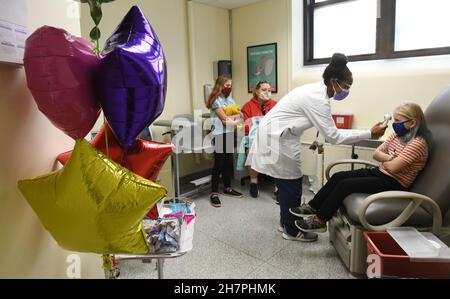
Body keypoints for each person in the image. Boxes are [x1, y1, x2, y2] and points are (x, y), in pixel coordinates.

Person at [247, 53, 387, 241]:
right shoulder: (317, 99)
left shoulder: (316, 92)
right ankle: (291, 230)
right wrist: (369, 133)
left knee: (286, 182)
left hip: (279, 135)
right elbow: (334, 136)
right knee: (291, 184)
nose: (346, 91)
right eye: (345, 86)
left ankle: (285, 223)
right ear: (333, 81)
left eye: (349, 87)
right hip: (277, 139)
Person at [292, 102, 431, 233]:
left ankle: (320, 221)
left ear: (412, 123)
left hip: (395, 183)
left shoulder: (417, 143)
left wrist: (389, 161)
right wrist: (391, 159)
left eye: (398, 121)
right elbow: (376, 154)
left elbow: (394, 169)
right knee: (338, 176)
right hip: (381, 173)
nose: (394, 125)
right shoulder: (397, 135)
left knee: (345, 185)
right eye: (394, 120)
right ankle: (313, 206)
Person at [206, 76, 243, 208]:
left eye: (230, 85)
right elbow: (224, 120)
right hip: (219, 134)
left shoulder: (230, 99)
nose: (229, 87)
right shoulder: (215, 100)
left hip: (228, 133)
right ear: (220, 86)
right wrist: (233, 118)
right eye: (227, 85)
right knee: (219, 163)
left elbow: (240, 115)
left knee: (228, 162)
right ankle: (214, 193)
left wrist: (232, 118)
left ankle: (227, 187)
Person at [241, 80, 278, 198]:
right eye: (264, 90)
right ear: (256, 91)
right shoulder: (248, 106)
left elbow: (280, 121)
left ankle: (278, 187)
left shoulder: (275, 105)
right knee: (252, 152)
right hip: (253, 138)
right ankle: (253, 181)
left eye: (269, 90)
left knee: (279, 152)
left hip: (272, 137)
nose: (267, 92)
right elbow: (245, 126)